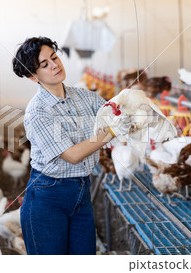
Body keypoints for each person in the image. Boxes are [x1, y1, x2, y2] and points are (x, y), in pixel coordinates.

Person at [12, 36, 117, 255]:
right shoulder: (38, 111)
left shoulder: (85, 98)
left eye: (54, 57)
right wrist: (113, 132)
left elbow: (114, 112)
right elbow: (71, 155)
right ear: (33, 76)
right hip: (48, 197)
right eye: (44, 64)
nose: (54, 65)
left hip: (81, 193)